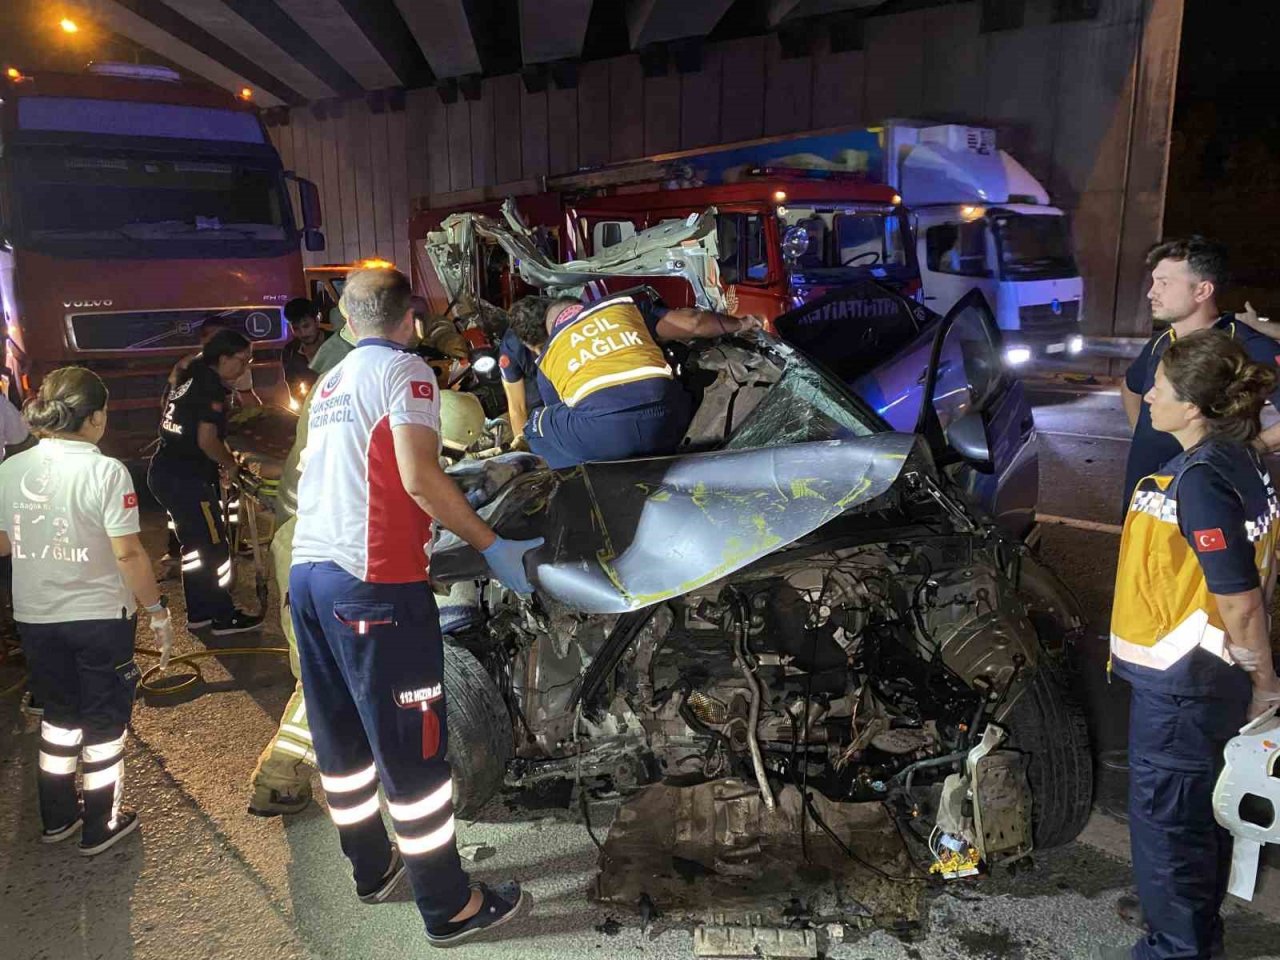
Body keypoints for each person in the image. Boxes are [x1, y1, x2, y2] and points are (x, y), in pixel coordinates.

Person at [289, 268, 541, 945]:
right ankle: (448, 906)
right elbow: (421, 477)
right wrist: (494, 547)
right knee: (413, 751)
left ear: (346, 321)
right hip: (371, 586)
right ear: (412, 320)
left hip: (310, 578)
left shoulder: (330, 384)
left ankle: (371, 870)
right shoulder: (408, 374)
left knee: (342, 738)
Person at [1098, 331, 1280, 960]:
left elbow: (1240, 597)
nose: (1148, 395)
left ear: (1196, 407)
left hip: (1183, 686)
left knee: (1169, 828)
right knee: (1196, 820)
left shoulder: (1200, 480)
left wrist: (1265, 680)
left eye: (1163, 389)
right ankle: (1190, 928)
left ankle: (1176, 948)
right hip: (1203, 677)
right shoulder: (1238, 458)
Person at [0, 368, 176, 855]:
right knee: (103, 725)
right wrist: (156, 610)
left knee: (58, 718)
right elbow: (129, 554)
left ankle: (57, 817)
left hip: (36, 617)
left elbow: (4, 541)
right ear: (96, 416)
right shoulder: (105, 471)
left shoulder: (11, 470)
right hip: (99, 617)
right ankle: (103, 821)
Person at [507, 292, 761, 468]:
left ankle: (585, 482)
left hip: (608, 438)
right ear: (583, 306)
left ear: (553, 328)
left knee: (536, 425)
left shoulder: (551, 354)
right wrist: (742, 323)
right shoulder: (623, 309)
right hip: (671, 422)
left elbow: (562, 415)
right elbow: (693, 323)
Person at [1120, 237, 1280, 510]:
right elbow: (1130, 386)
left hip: (1208, 504)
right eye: (1154, 281)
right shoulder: (1162, 341)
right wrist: (1144, 435)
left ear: (1202, 290)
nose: (1151, 292)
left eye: (1164, 283)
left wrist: (1257, 446)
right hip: (1145, 494)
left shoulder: (1244, 346)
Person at [149, 330, 262, 635]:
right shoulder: (210, 388)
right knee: (214, 547)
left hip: (167, 471)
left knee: (196, 548)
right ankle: (222, 616)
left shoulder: (190, 372)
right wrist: (230, 465)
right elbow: (207, 439)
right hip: (187, 478)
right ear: (223, 359)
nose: (244, 368)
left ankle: (199, 613)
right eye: (242, 360)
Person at [498, 323, 543, 445]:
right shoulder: (511, 346)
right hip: (535, 383)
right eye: (536, 349)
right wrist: (525, 447)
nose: (539, 352)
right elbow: (517, 406)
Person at [282, 298, 332, 399]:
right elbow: (293, 386)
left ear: (317, 321)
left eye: (306, 326)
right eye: (296, 328)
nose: (303, 333)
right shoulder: (290, 352)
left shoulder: (336, 343)